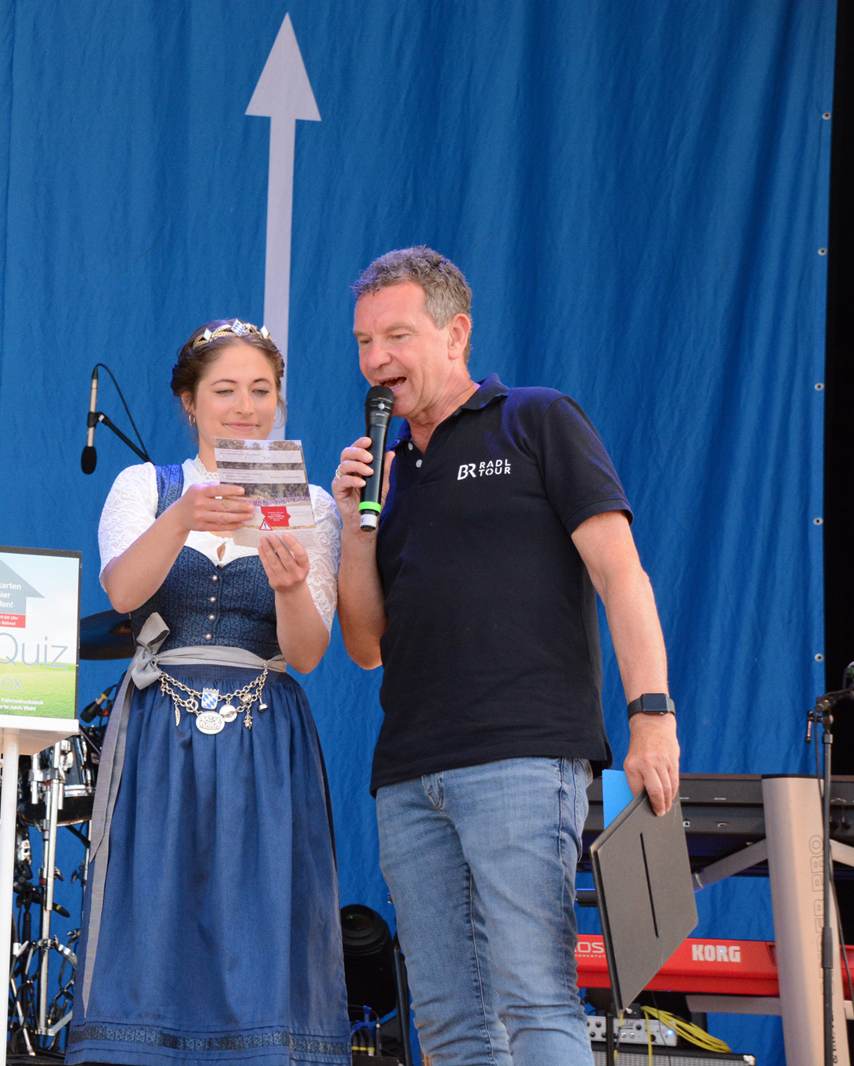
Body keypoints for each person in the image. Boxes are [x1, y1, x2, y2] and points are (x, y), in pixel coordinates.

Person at [331, 247, 680, 1066]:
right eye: (363, 342)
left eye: (397, 336)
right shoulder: (386, 469)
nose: (376, 360)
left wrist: (652, 716)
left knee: (535, 998)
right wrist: (354, 525)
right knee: (450, 1024)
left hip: (522, 759)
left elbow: (621, 576)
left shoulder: (536, 419)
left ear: (456, 334)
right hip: (409, 775)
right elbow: (366, 646)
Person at [68, 320, 349, 1066]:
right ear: (190, 402)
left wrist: (290, 585)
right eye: (225, 390)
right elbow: (123, 591)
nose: (245, 407)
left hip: (266, 735)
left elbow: (308, 653)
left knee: (263, 913)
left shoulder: (309, 503)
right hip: (161, 729)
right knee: (151, 908)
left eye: (261, 390)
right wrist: (185, 515)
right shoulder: (147, 486)